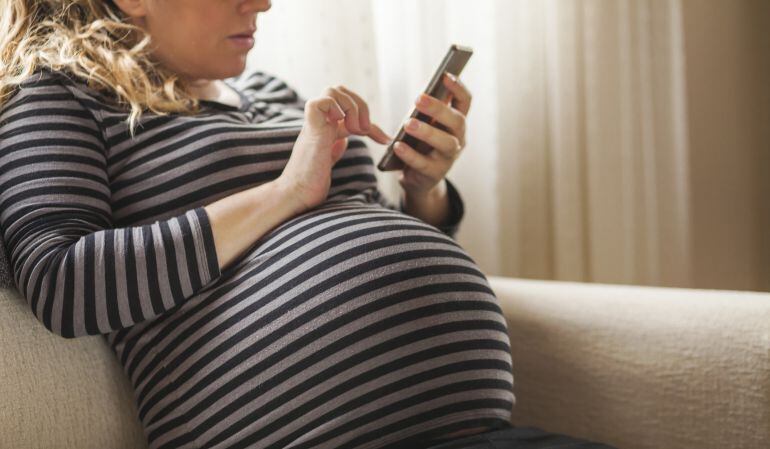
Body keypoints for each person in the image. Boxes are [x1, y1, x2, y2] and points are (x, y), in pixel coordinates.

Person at [0, 1, 613, 449]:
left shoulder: (273, 94)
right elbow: (59, 280)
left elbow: (348, 256)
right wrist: (285, 192)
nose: (263, 4)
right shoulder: (60, 97)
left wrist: (423, 192)